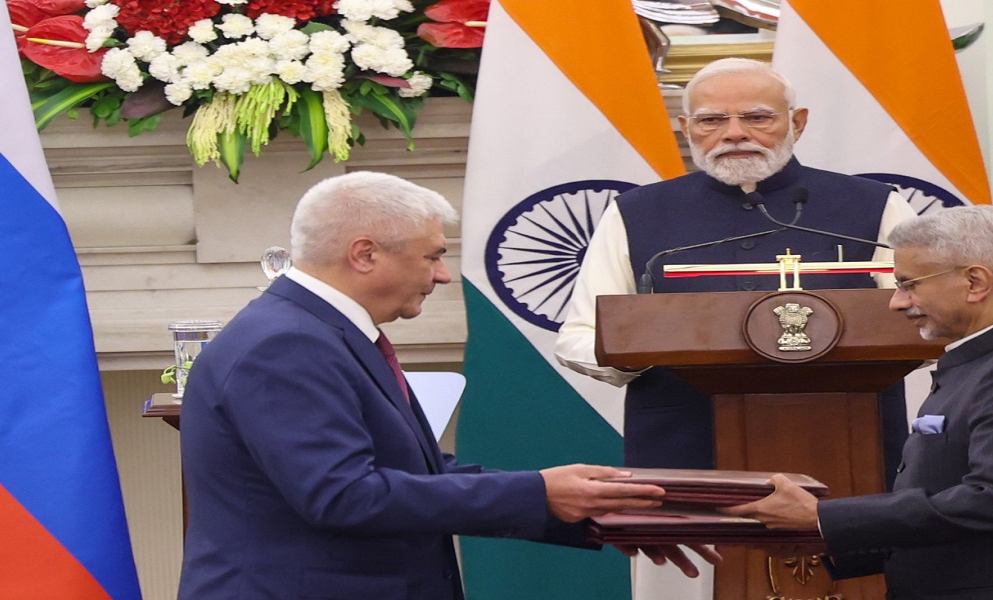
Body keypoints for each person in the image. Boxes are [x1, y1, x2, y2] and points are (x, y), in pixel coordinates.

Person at [175, 171, 717, 599]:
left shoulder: (317, 332)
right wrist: (539, 492)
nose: (442, 274)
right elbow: (344, 496)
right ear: (365, 254)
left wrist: (595, 512)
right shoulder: (287, 344)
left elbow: (413, 472)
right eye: (432, 255)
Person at [721, 205, 993, 599]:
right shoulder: (984, 363)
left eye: (909, 284)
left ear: (975, 282)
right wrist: (819, 538)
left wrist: (822, 517)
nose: (896, 302)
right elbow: (950, 505)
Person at [554, 57, 916, 474]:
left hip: (848, 443)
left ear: (797, 123)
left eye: (757, 117)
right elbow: (580, 336)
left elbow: (934, 319)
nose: (734, 133)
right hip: (685, 448)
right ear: (686, 127)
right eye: (711, 120)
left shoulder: (874, 205)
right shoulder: (635, 212)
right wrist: (630, 353)